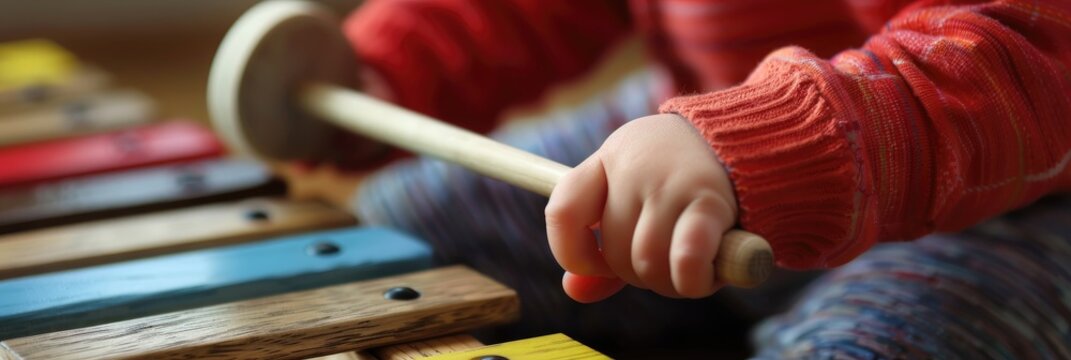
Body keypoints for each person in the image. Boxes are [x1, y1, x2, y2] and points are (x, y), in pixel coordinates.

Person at [282, 0, 1071, 356]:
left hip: (1006, 197)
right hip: (697, 134)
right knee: (398, 238)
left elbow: (1025, 59)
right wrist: (399, 68)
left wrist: (765, 142)